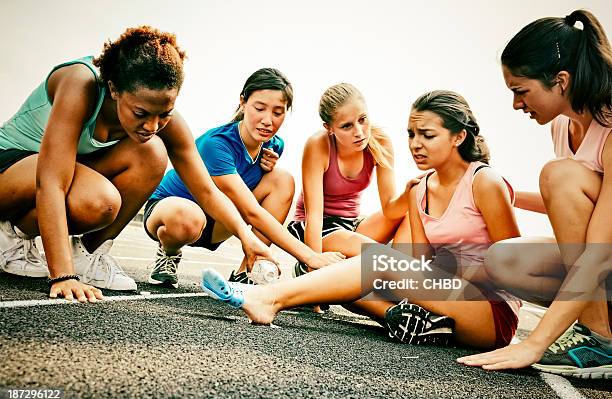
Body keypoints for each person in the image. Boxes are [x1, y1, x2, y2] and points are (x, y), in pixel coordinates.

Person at [202, 90, 523, 350]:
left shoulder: (484, 182)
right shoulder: (422, 188)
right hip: (448, 301)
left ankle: (268, 299)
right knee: (351, 283)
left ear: (458, 137)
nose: (415, 144)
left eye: (427, 135)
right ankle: (407, 322)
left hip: (489, 313)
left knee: (375, 264)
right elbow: (416, 263)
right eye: (411, 134)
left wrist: (441, 269)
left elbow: (515, 270)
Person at [0, 26, 275, 302]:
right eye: (141, 113)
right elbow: (51, 182)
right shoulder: (79, 83)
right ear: (114, 89)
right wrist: (63, 276)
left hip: (52, 174)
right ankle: (9, 236)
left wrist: (246, 239)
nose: (152, 125)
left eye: (164, 113)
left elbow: (207, 190)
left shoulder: (158, 121)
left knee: (153, 151)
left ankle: (87, 255)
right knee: (98, 200)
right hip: (8, 168)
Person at [457, 9, 612, 379]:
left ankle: (599, 339)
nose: (516, 105)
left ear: (560, 81)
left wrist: (534, 342)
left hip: (603, 257)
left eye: (520, 91)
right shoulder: (563, 125)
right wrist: (499, 193)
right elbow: (579, 206)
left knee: (558, 175)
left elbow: (598, 252)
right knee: (504, 260)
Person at [143, 68, 344, 288]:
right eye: (259, 108)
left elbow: (255, 200)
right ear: (243, 102)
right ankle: (169, 253)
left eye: (278, 112)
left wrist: (263, 169)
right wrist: (309, 257)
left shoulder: (274, 145)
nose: (268, 120)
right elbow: (251, 211)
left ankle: (246, 270)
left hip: (219, 221)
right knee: (187, 218)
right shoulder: (217, 144)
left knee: (282, 180)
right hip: (172, 214)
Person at [288, 83, 412, 278]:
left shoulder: (381, 142)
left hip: (353, 224)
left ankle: (397, 287)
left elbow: (390, 209)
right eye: (347, 126)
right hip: (319, 228)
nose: (359, 132)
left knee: (410, 215)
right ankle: (306, 269)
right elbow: (314, 216)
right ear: (329, 128)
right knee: (383, 257)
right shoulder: (318, 145)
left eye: (362, 120)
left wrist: (409, 194)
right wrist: (312, 265)